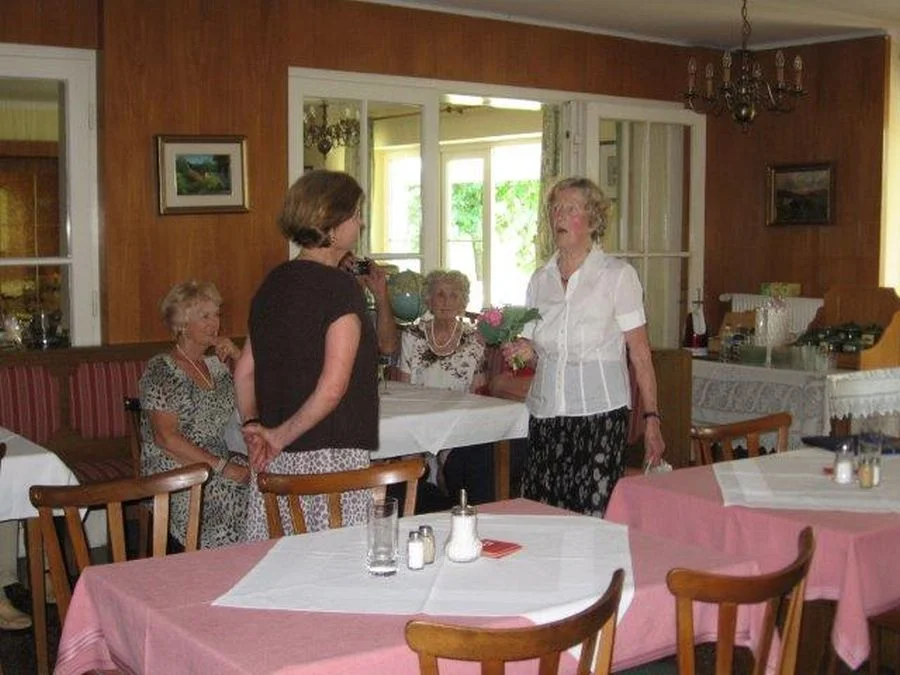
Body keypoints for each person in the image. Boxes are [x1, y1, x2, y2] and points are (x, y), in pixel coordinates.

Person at [507, 176, 665, 517]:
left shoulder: (617, 276)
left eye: (570, 209)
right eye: (555, 208)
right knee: (542, 514)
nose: (559, 216)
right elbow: (537, 345)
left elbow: (640, 353)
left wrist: (652, 418)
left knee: (591, 516)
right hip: (547, 414)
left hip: (599, 416)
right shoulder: (540, 279)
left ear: (593, 220)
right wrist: (523, 349)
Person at [234, 170, 378, 539]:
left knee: (281, 565)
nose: (360, 222)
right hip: (330, 457)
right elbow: (333, 387)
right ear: (331, 224)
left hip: (273, 458)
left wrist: (254, 428)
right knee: (329, 572)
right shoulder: (340, 289)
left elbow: (245, 370)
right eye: (355, 213)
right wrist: (279, 437)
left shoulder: (272, 283)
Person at [139, 280, 249, 549]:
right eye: (205, 316)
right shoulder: (162, 369)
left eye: (216, 315)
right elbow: (166, 439)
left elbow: (251, 408)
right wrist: (222, 467)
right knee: (231, 491)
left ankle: (251, 571)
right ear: (182, 325)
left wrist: (239, 357)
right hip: (175, 465)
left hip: (215, 456)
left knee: (266, 482)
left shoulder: (217, 367)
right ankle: (212, 573)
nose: (215, 324)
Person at [397, 270, 491, 505]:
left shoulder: (475, 340)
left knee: (466, 465)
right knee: (412, 474)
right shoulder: (412, 335)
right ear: (428, 300)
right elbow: (402, 392)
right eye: (439, 294)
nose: (447, 301)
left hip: (457, 428)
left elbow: (478, 396)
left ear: (464, 302)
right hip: (416, 427)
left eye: (454, 295)